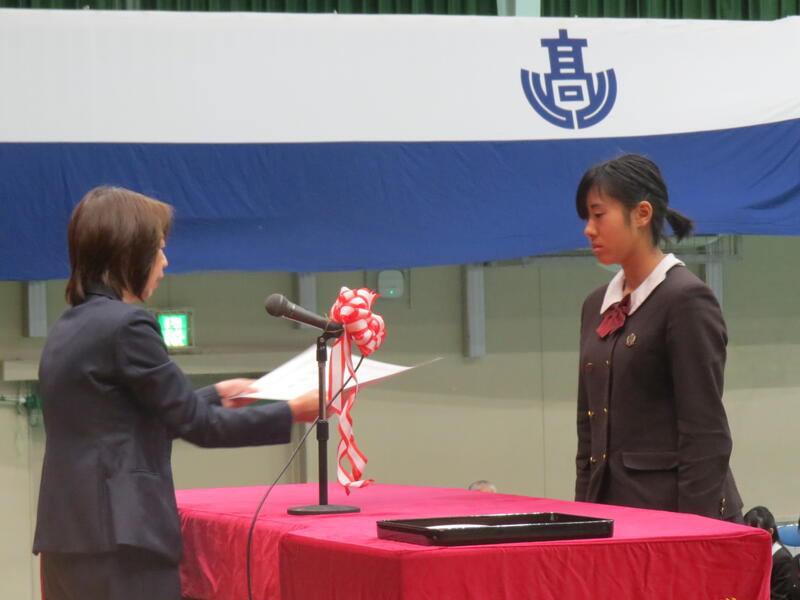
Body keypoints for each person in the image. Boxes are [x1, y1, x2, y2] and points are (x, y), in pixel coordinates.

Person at [32, 186, 320, 600]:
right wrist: (293, 410)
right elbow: (200, 427)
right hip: (122, 539)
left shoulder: (69, 326)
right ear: (129, 253)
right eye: (160, 249)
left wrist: (216, 393)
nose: (165, 262)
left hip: (68, 536)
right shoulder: (128, 325)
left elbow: (120, 422)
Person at [573, 154, 742, 521]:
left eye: (598, 215)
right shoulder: (595, 305)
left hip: (674, 515)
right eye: (586, 217)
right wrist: (584, 515)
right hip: (612, 514)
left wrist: (694, 531)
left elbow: (705, 431)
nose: (588, 229)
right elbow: (588, 433)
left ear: (642, 213)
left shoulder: (685, 299)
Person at [743, 506, 794, 600]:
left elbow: (778, 597)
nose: (749, 539)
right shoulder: (751, 553)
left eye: (755, 534)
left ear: (770, 532)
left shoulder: (782, 559)